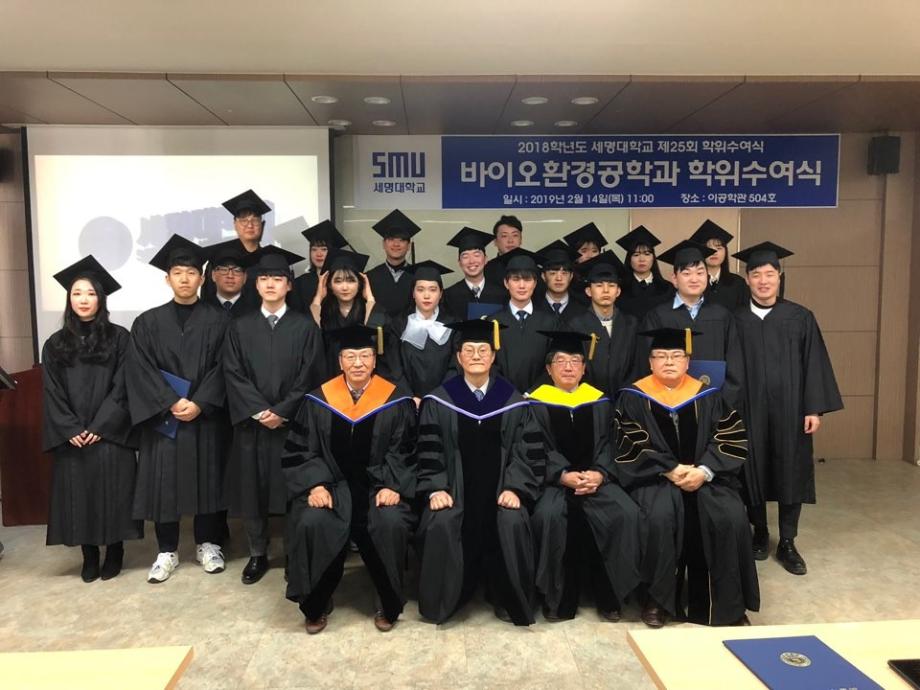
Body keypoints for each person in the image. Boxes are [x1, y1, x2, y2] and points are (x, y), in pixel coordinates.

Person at [614, 327, 759, 628]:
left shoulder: (708, 395)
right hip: (656, 478)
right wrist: (668, 468)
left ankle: (728, 604)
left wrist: (704, 470)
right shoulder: (633, 397)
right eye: (661, 356)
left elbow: (730, 437)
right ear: (650, 362)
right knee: (660, 517)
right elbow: (629, 441)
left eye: (676, 355)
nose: (669, 361)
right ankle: (658, 600)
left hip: (705, 477)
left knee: (729, 515)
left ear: (687, 362)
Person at [282, 325, 417, 633]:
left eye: (365, 356)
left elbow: (406, 449)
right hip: (331, 487)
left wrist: (392, 484)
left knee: (390, 522)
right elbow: (301, 450)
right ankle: (317, 601)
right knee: (312, 520)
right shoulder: (318, 400)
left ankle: (386, 599)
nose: (358, 363)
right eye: (351, 356)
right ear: (340, 361)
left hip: (376, 488)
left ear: (374, 360)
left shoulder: (395, 399)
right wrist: (315, 485)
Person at [416, 319, 543, 625]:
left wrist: (515, 488)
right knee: (442, 521)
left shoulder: (513, 401)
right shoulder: (439, 400)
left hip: (501, 491)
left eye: (483, 350)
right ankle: (448, 599)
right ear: (458, 357)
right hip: (455, 493)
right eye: (469, 350)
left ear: (493, 356)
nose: (476, 355)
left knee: (512, 520)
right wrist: (436, 488)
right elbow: (428, 450)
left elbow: (527, 451)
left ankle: (507, 597)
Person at [732, 242, 843, 575]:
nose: (763, 281)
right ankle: (759, 532)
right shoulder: (735, 319)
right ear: (747, 279)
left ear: (779, 276)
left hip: (791, 410)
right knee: (750, 468)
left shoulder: (799, 317)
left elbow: (814, 363)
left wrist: (814, 408)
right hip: (748, 408)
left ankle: (788, 541)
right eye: (756, 274)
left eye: (769, 274)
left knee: (790, 470)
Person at [126, 234, 230, 583]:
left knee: (207, 479)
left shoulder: (220, 321)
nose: (185, 279)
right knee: (164, 483)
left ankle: (208, 544)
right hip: (164, 418)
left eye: (191, 272)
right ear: (167, 278)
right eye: (177, 273)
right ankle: (167, 550)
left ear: (202, 278)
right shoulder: (147, 322)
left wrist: (201, 402)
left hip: (204, 415)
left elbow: (226, 366)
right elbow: (139, 369)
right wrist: (170, 401)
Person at [223, 247, 324, 585]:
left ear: (289, 285)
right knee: (253, 490)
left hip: (290, 426)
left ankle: (295, 552)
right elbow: (233, 372)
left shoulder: (305, 327)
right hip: (252, 426)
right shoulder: (239, 327)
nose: (270, 284)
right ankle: (257, 553)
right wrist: (258, 409)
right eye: (264, 278)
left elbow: (310, 374)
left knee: (292, 489)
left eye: (277, 279)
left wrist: (282, 411)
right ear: (255, 284)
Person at [528, 330, 640, 622]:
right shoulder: (533, 404)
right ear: (549, 369)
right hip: (554, 484)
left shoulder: (601, 402)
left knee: (626, 513)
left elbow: (612, 444)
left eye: (575, 361)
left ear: (583, 368)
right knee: (549, 516)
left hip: (597, 480)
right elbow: (533, 448)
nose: (568, 367)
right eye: (560, 361)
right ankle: (557, 598)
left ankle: (610, 596)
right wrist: (561, 474)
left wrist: (600, 473)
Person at [42, 256, 142, 582]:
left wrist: (102, 425)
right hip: (72, 435)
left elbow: (124, 385)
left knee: (114, 492)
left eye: (90, 293)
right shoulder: (55, 344)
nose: (83, 299)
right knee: (79, 494)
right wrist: (70, 427)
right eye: (77, 293)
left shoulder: (120, 338)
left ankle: (115, 551)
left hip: (110, 432)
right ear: (69, 300)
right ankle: (89, 555)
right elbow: (52, 391)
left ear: (101, 298)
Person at [638, 240, 744, 410]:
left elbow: (735, 367)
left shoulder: (722, 316)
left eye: (700, 273)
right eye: (686, 273)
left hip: (715, 406)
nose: (694, 279)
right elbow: (646, 366)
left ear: (707, 277)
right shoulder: (657, 317)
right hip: (667, 406)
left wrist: (722, 406)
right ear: (674, 279)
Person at [310, 249, 400, 383]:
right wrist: (318, 298)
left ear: (360, 284)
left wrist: (370, 300)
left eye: (351, 280)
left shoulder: (372, 311)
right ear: (329, 285)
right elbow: (312, 339)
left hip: (367, 383)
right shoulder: (324, 313)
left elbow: (380, 346)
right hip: (331, 382)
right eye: (338, 281)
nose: (345, 287)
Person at [566, 251, 637, 398]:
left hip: (626, 398)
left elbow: (637, 365)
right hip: (588, 400)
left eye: (611, 285)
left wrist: (627, 395)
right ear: (588, 291)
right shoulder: (576, 326)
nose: (605, 290)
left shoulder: (631, 324)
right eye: (599, 285)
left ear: (618, 291)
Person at [491, 249, 559, 393]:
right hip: (503, 398)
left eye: (527, 279)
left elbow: (553, 364)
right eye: (516, 279)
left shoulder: (550, 323)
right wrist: (510, 395)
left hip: (541, 397)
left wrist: (532, 392)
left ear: (535, 283)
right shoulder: (493, 322)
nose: (522, 286)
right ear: (506, 283)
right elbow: (489, 365)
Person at [391, 260, 458, 402]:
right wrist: (409, 396)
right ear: (413, 293)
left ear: (441, 294)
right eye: (420, 290)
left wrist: (439, 397)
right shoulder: (398, 325)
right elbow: (394, 367)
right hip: (407, 401)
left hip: (444, 401)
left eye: (433, 290)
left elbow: (456, 367)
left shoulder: (454, 326)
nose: (426, 295)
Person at [201, 189, 271, 306]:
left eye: (255, 220)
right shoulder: (218, 259)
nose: (249, 225)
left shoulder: (269, 260)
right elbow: (207, 300)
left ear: (262, 225)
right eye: (244, 220)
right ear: (235, 224)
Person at [365, 209, 421, 317]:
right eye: (391, 239)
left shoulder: (418, 276)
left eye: (402, 240)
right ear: (383, 244)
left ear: (409, 246)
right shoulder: (370, 277)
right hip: (378, 327)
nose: (396, 244)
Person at [442, 226, 507, 319]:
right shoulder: (449, 296)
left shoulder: (502, 294)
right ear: (459, 263)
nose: (471, 261)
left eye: (476, 255)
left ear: (485, 259)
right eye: (465, 256)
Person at [689, 219, 748, 312]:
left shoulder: (738, 284)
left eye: (719, 248)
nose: (714, 252)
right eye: (709, 248)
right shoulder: (692, 283)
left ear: (725, 251)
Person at [290, 219, 348, 313]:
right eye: (314, 249)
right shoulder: (300, 283)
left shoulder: (345, 282)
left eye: (324, 249)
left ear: (334, 252)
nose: (318, 254)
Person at [615, 226, 673, 320]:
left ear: (653, 258)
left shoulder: (667, 289)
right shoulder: (619, 290)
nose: (642, 259)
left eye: (647, 254)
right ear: (629, 259)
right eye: (636, 255)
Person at [535, 241, 587, 319]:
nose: (559, 278)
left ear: (571, 276)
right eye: (553, 273)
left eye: (564, 273)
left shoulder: (583, 309)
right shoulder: (532, 308)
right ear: (543, 276)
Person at [203, 240, 254, 318]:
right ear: (213, 275)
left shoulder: (256, 313)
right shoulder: (201, 312)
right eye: (224, 270)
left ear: (245, 277)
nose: (230, 275)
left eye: (237, 270)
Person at [483, 215, 524, 286]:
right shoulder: (486, 270)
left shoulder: (532, 267)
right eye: (504, 236)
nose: (510, 240)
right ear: (495, 241)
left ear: (521, 240)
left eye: (515, 235)